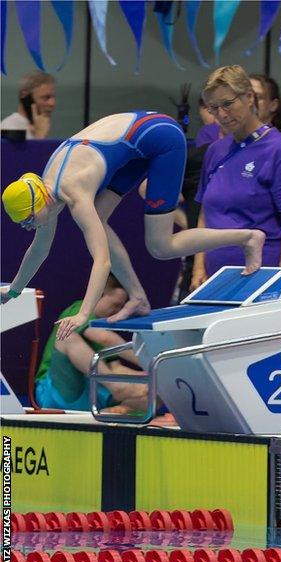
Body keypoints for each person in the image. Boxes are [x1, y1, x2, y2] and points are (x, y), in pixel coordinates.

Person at [1, 109, 265, 339]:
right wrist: (12, 292)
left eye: (28, 220)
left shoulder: (73, 193)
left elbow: (101, 261)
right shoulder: (45, 190)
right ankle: (137, 297)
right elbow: (39, 249)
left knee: (161, 245)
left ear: (38, 206)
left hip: (162, 138)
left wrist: (84, 314)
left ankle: (247, 237)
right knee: (99, 222)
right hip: (137, 140)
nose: (28, 227)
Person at [190, 65, 281, 292]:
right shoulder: (215, 151)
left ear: (249, 96)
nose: (222, 114)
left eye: (228, 104)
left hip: (264, 276)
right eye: (214, 108)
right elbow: (205, 215)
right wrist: (198, 269)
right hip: (215, 279)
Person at [34, 277, 148, 413]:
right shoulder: (79, 310)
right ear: (99, 296)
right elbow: (107, 339)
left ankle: (120, 410)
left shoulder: (105, 328)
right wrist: (147, 361)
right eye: (116, 304)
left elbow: (115, 368)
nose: (117, 311)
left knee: (157, 389)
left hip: (92, 396)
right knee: (66, 337)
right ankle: (116, 388)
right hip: (57, 392)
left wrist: (146, 377)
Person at [1, 71, 57, 139]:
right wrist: (40, 135)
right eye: (46, 97)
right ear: (25, 96)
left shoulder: (35, 127)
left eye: (53, 97)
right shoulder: (9, 128)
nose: (52, 103)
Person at [250, 74, 281, 139]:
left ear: (273, 105)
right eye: (244, 96)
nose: (250, 102)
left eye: (257, 97)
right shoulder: (230, 138)